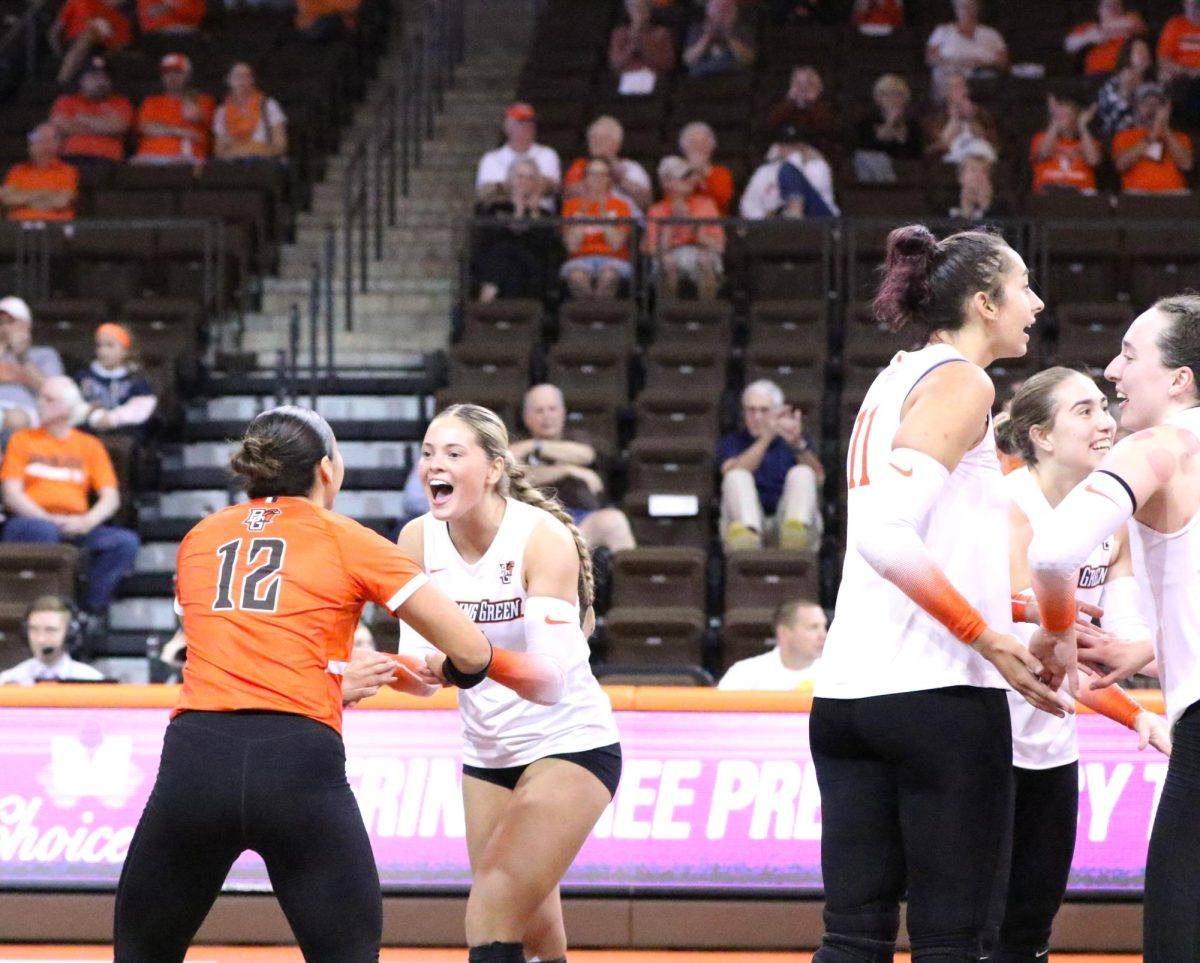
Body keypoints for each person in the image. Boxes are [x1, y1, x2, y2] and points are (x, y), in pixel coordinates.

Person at [112, 405, 496, 963]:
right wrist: (450, 672)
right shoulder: (349, 538)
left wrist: (328, 679)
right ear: (326, 469)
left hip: (195, 762)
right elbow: (471, 648)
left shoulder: (200, 537)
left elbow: (236, 648)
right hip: (297, 764)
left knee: (141, 953)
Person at [811, 224, 1065, 963]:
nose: (1038, 303)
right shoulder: (963, 379)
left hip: (849, 696)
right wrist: (985, 635)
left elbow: (918, 540)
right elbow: (885, 536)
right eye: (1023, 288)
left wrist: (1010, 611)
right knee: (955, 942)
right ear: (985, 302)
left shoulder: (895, 375)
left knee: (851, 939)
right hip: (937, 697)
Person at [395, 402, 622, 963]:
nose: (434, 466)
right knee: (535, 931)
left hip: (570, 745)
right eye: (427, 453)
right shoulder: (416, 540)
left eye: (453, 453)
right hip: (487, 753)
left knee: (490, 911)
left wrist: (470, 661)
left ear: (494, 468)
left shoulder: (539, 537)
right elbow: (423, 676)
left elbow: (548, 680)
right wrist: (371, 669)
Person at [1026, 294, 1200, 963]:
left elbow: (1052, 551)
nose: (1112, 370)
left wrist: (1058, 629)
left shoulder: (1156, 446)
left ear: (1179, 378)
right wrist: (1151, 646)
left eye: (1129, 355)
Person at [995, 367, 1171, 963]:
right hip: (988, 742)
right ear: (1041, 436)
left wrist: (1141, 711)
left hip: (1053, 744)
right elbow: (1042, 655)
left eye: (1104, 406)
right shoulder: (1010, 509)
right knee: (978, 933)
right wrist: (1130, 713)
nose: (1105, 421)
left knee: (1030, 933)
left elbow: (1117, 643)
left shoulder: (1108, 518)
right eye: (1084, 411)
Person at [1, 376, 139, 615]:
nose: (39, 403)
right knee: (44, 531)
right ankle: (50, 610)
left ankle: (87, 610)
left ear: (67, 408)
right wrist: (48, 519)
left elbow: (110, 498)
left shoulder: (90, 445)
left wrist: (87, 522)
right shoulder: (22, 440)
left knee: (124, 542)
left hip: (76, 524)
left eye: (48, 399)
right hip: (29, 522)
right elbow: (11, 493)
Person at [510, 383, 636, 553]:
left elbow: (585, 455)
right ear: (526, 417)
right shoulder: (518, 441)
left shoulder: (577, 437)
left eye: (552, 409)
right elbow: (511, 468)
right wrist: (567, 470)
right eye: (539, 411)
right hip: (534, 522)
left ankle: (629, 578)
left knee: (614, 521)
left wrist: (537, 448)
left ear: (563, 413)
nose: (547, 416)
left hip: (580, 521)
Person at [718, 379, 824, 552]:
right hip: (748, 520)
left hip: (786, 520)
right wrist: (766, 438)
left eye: (764, 410)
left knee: (803, 472)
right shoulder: (732, 442)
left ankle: (794, 534)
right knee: (736, 476)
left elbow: (819, 478)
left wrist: (798, 445)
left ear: (777, 412)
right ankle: (748, 535)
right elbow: (729, 473)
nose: (757, 417)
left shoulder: (795, 440)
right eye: (751, 410)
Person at [472, 157, 558, 304]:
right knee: (509, 263)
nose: (524, 181)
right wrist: (518, 212)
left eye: (530, 178)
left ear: (536, 183)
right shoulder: (495, 208)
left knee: (506, 251)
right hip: (505, 266)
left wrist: (533, 212)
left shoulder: (544, 214)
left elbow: (543, 245)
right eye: (520, 176)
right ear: (510, 179)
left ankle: (488, 294)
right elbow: (492, 238)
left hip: (532, 265)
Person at [644, 155, 724, 301]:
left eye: (690, 175)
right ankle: (668, 313)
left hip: (700, 251)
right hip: (670, 252)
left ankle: (707, 314)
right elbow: (654, 250)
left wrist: (693, 227)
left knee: (706, 261)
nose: (690, 180)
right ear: (667, 182)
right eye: (683, 177)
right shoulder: (656, 211)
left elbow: (719, 246)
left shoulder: (706, 205)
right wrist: (672, 223)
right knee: (667, 262)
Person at [560, 157, 634, 300]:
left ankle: (598, 317)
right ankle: (592, 317)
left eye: (602, 174)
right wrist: (583, 215)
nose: (597, 179)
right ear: (585, 178)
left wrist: (603, 216)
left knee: (608, 277)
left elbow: (616, 245)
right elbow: (572, 247)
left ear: (609, 179)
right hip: (579, 258)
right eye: (592, 174)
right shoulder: (571, 206)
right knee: (576, 278)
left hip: (614, 259)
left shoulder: (621, 206)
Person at [718, 598, 827, 691]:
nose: (823, 636)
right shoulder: (744, 674)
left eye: (824, 627)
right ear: (784, 633)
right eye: (813, 627)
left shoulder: (836, 675)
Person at [739, 124, 839, 219]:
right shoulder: (764, 172)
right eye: (784, 145)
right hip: (776, 226)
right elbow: (747, 208)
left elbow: (808, 199)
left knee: (787, 171)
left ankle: (793, 223)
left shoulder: (817, 166)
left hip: (822, 222)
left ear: (803, 146)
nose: (789, 149)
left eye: (794, 145)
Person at [132, 53, 215, 165]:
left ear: (188, 75)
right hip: (149, 157)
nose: (172, 77)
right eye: (167, 73)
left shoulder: (203, 100)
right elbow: (146, 127)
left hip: (185, 159)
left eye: (177, 72)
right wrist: (180, 131)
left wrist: (163, 129)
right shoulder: (151, 101)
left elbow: (193, 117)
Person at [76, 322, 158, 435]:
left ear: (126, 350)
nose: (103, 351)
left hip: (128, 441)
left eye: (110, 345)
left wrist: (113, 418)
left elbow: (142, 408)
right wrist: (86, 411)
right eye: (99, 345)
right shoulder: (84, 377)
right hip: (88, 440)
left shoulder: (136, 380)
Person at [50, 57, 134, 167]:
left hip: (107, 158)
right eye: (94, 76)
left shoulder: (121, 102)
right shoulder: (66, 101)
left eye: (104, 77)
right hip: (70, 156)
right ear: (81, 80)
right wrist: (103, 125)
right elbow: (62, 126)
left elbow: (118, 126)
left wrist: (81, 118)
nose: (100, 81)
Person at [0, 595, 104, 683]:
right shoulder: (8, 681)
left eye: (50, 630)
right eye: (33, 629)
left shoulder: (92, 680)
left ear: (69, 634)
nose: (40, 639)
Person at [1112, 82, 1193, 193]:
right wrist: (1152, 136)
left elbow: (1187, 165)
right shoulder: (1124, 136)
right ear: (1137, 108)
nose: (1152, 108)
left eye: (1157, 104)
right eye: (1146, 104)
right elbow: (1120, 165)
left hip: (1173, 194)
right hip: (1137, 195)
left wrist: (1165, 129)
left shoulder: (1180, 137)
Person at [475, 103, 561, 208]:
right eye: (521, 122)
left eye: (530, 122)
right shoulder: (491, 159)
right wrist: (529, 186)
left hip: (538, 215)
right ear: (507, 126)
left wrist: (504, 188)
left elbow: (550, 187)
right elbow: (485, 192)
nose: (527, 127)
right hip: (500, 216)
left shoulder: (548, 154)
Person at [0, 296, 64, 435]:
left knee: (15, 419)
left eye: (11, 322)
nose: (4, 328)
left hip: (26, 412)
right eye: (1, 323)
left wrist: (22, 357)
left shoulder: (44, 354)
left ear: (26, 325)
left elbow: (53, 393)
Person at [562, 115, 653, 211]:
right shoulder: (580, 165)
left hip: (626, 223)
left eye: (602, 138)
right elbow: (568, 195)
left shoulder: (631, 167)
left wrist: (621, 179)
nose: (595, 142)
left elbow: (646, 203)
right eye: (593, 137)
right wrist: (597, 178)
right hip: (586, 221)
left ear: (617, 144)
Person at [925, 0, 1009, 100]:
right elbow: (930, 59)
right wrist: (957, 62)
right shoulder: (943, 31)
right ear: (956, 9)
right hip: (950, 79)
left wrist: (982, 63)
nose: (968, 10)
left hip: (984, 82)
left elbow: (1005, 63)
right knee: (955, 85)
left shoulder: (992, 34)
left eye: (972, 6)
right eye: (964, 7)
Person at [0, 124, 78, 222]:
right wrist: (44, 194)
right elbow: (7, 199)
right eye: (37, 141)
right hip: (19, 228)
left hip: (54, 227)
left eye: (46, 140)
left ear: (56, 144)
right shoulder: (17, 170)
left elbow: (62, 201)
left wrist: (23, 197)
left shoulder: (67, 171)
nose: (40, 144)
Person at [213, 62, 288, 161]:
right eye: (238, 76)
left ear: (252, 80)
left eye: (247, 76)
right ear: (229, 80)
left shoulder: (268, 106)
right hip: (234, 165)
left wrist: (250, 150)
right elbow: (219, 151)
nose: (242, 81)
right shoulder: (222, 111)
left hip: (263, 163)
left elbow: (280, 146)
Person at [763, 66, 840, 161]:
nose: (803, 88)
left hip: (814, 152)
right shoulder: (784, 104)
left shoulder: (825, 106)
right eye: (798, 83)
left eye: (809, 83)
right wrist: (790, 101)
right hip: (784, 148)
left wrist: (812, 102)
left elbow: (828, 129)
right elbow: (770, 124)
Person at [1029, 92, 1101, 194]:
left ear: (1076, 118)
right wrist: (1055, 123)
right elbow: (1042, 154)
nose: (1061, 118)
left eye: (1066, 115)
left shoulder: (1088, 141)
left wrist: (1082, 126)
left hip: (1081, 194)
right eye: (1059, 115)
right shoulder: (1040, 138)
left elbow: (1093, 160)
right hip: (1048, 192)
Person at [48, 0, 131, 85]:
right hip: (73, 44)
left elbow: (120, 46)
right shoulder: (81, 2)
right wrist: (59, 54)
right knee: (90, 34)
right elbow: (54, 32)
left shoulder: (123, 21)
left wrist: (104, 57)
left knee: (96, 61)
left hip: (100, 54)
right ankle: (61, 81)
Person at [924, 72, 999, 165]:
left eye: (965, 86)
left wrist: (971, 119)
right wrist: (954, 119)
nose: (964, 91)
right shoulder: (935, 119)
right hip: (948, 165)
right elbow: (936, 149)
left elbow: (991, 142)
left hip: (980, 160)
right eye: (957, 86)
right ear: (947, 93)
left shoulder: (980, 114)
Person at [1093, 36, 1154, 139]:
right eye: (1139, 51)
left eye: (1146, 51)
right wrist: (1125, 92)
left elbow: (1159, 112)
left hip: (1149, 135)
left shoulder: (1154, 84)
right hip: (1119, 135)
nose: (1144, 55)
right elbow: (1109, 113)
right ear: (1128, 55)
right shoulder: (1112, 84)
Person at [608, 0, 675, 92]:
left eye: (644, 8)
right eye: (636, 8)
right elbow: (616, 63)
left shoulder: (661, 33)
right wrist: (633, 45)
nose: (640, 12)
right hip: (626, 78)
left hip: (654, 79)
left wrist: (644, 46)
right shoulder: (620, 34)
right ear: (629, 11)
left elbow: (667, 64)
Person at [1065, 0, 1147, 75]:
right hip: (1094, 75)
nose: (1113, 9)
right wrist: (1089, 38)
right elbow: (1069, 44)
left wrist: (1100, 30)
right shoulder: (1087, 27)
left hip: (1123, 74)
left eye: (1117, 5)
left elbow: (1132, 24)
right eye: (1108, 6)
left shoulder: (1132, 17)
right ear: (1099, 9)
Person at [855, 73, 924, 160]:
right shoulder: (867, 123)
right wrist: (890, 122)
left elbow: (917, 155)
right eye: (887, 94)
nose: (893, 99)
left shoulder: (913, 126)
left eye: (898, 94)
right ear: (878, 98)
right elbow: (868, 150)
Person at [682, 0, 755, 77]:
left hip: (735, 76)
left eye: (726, 13)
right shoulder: (697, 29)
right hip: (702, 77)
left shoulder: (742, 29)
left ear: (734, 15)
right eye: (717, 12)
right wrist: (707, 36)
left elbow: (749, 59)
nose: (721, 16)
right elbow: (688, 60)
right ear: (709, 15)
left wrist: (730, 36)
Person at [1157, 0, 1200, 127]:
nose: (1196, 9)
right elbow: (1164, 59)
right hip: (1182, 77)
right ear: (1184, 5)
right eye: (1192, 5)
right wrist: (1189, 71)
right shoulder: (1175, 25)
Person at [678, 121, 734, 215]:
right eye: (693, 143)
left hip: (714, 225)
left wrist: (703, 173)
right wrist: (692, 175)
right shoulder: (674, 171)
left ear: (712, 147)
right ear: (683, 147)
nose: (699, 147)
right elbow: (671, 200)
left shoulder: (722, 173)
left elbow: (723, 199)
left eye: (704, 142)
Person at [948, 152, 1009, 220]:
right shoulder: (946, 201)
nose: (978, 176)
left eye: (984, 171)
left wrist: (985, 205)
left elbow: (1006, 227)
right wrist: (965, 213)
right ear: (961, 176)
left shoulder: (1001, 204)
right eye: (973, 170)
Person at [137, 0, 205, 34]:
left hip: (188, 34)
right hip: (158, 35)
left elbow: (197, 15)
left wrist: (170, 8)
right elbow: (149, 16)